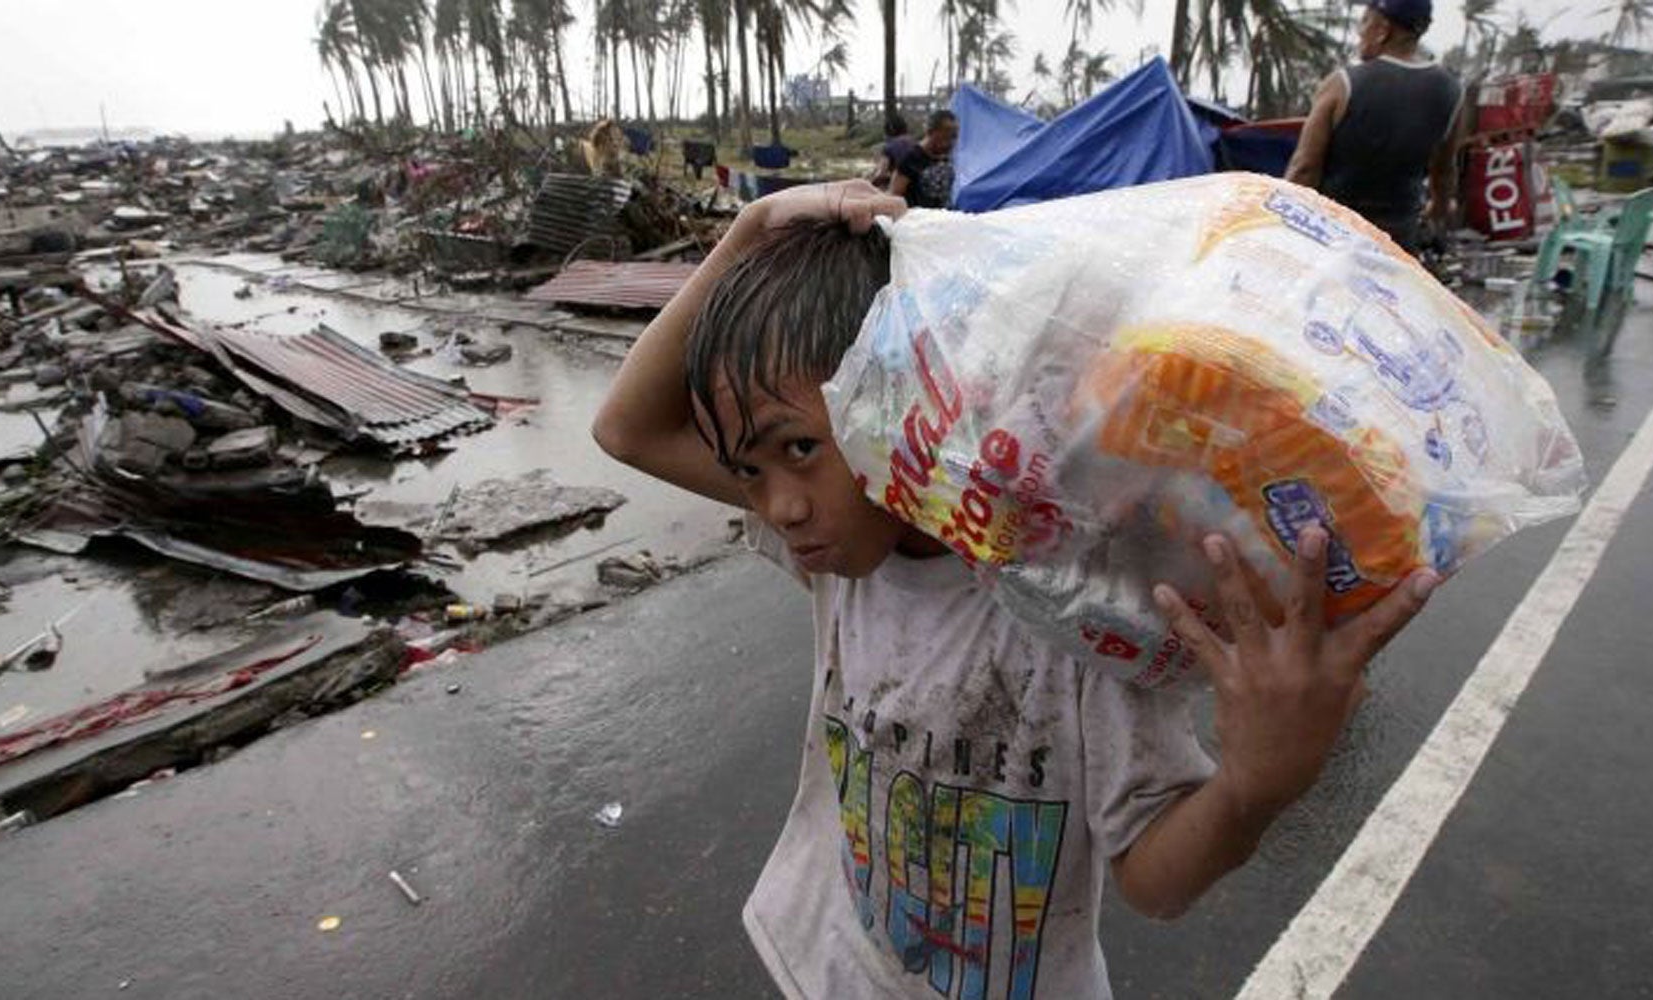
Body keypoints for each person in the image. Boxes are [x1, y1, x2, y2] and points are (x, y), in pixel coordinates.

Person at [593, 180, 1440, 999]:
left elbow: (1153, 878)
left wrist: (1254, 787)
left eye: (800, 451)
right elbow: (625, 428)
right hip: (830, 965)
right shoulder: (839, 557)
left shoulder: (1075, 607)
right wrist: (750, 230)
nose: (777, 506)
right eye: (747, 471)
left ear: (892, 399)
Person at [1285, 0, 1466, 249]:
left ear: (1383, 30)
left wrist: (1283, 227)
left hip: (1336, 241)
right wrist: (1437, 214)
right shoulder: (1451, 91)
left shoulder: (1342, 84)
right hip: (1399, 244)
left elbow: (1304, 168)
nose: (1360, 31)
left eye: (1365, 21)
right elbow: (1444, 173)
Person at [891, 110, 958, 209]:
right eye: (945, 137)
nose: (951, 143)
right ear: (930, 132)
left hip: (945, 218)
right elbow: (894, 195)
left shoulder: (946, 156)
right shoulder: (912, 158)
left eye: (954, 137)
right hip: (919, 220)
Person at [868, 112, 914, 190]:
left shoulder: (889, 147)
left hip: (900, 189)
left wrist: (869, 183)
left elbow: (881, 174)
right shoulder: (915, 143)